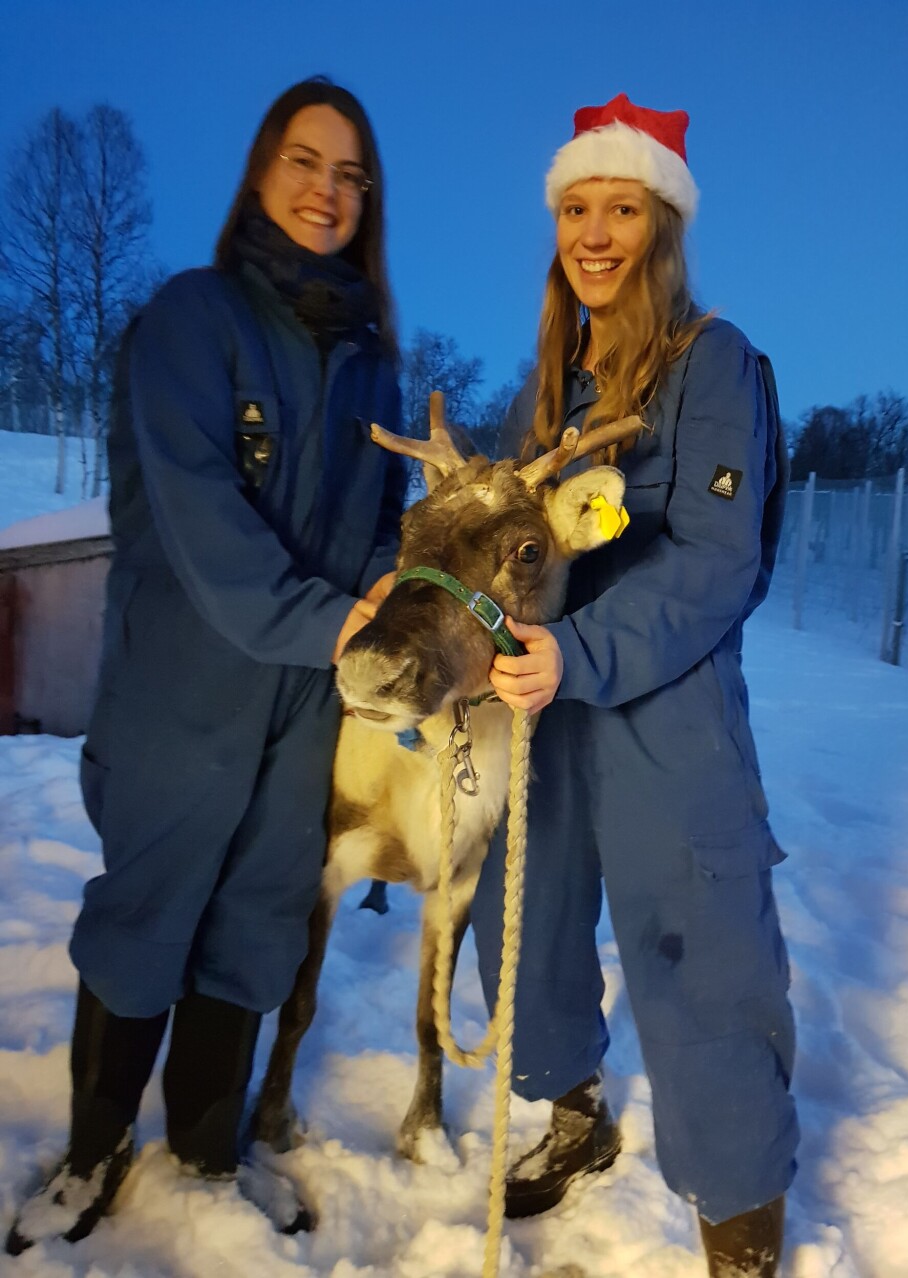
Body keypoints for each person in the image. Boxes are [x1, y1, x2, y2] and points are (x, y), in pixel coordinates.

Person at [5, 76, 406, 1255]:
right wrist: (342, 623)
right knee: (149, 912)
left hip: (304, 697)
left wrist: (395, 590)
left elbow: (379, 518)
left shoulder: (371, 361)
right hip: (185, 687)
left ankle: (207, 1152)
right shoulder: (192, 320)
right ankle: (91, 1150)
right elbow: (202, 523)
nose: (326, 191)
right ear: (260, 171)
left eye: (350, 175)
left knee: (258, 918)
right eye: (304, 161)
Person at [471, 95, 797, 1277]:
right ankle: (575, 1115)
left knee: (703, 961)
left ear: (663, 224)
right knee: (529, 930)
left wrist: (583, 652)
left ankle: (740, 1225)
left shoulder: (716, 363)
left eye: (620, 209)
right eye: (575, 209)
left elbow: (717, 563)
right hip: (546, 713)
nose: (594, 235)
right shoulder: (549, 388)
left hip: (665, 718)